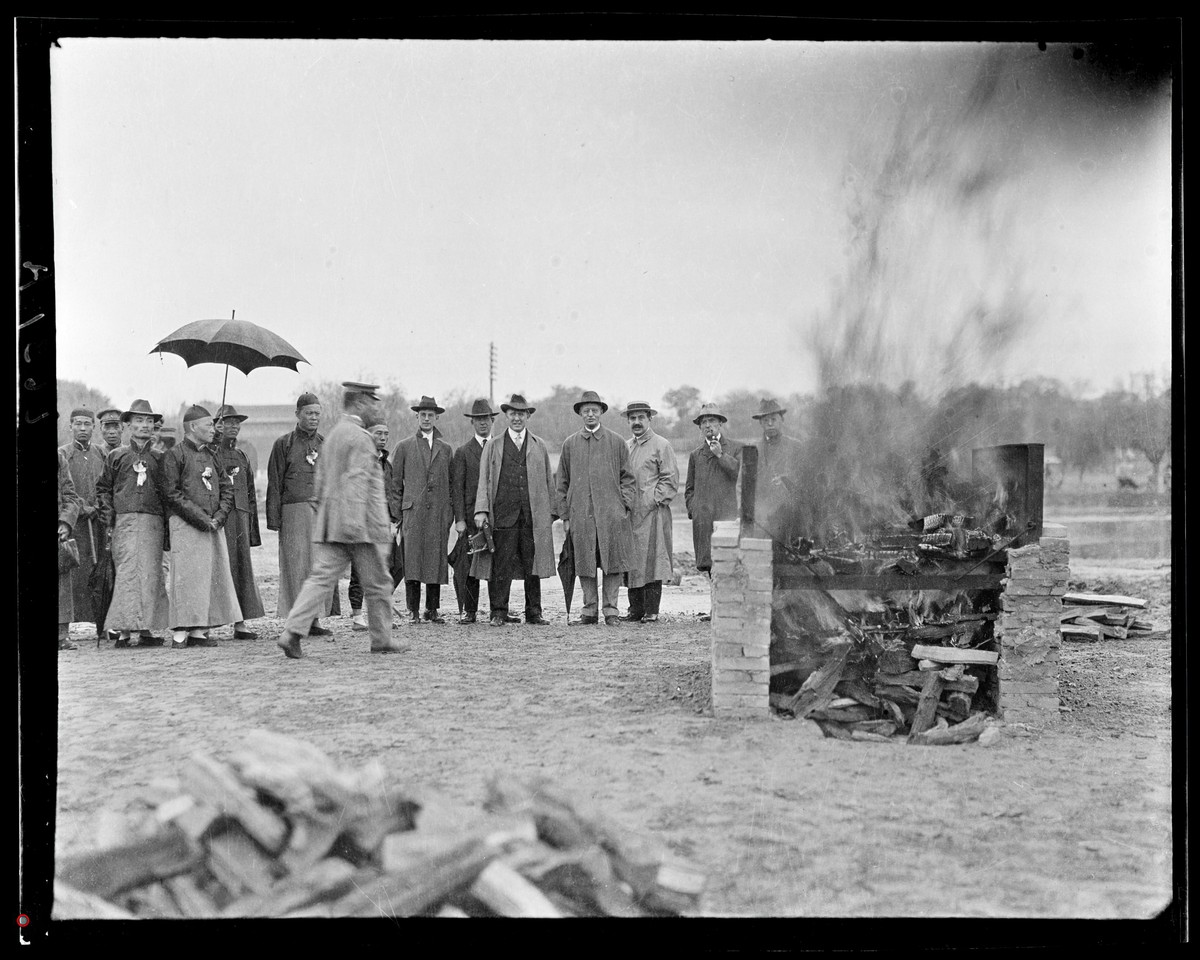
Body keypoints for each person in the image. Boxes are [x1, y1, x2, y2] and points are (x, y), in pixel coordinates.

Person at [277, 383, 406, 659]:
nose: (375, 407)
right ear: (359, 403)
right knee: (379, 583)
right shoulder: (359, 438)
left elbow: (320, 481)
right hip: (358, 527)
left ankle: (291, 632)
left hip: (332, 524)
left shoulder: (334, 435)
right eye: (371, 401)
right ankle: (382, 639)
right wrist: (360, 526)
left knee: (320, 579)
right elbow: (358, 484)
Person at [160, 405, 242, 648]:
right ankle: (180, 631)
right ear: (193, 427)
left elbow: (227, 488)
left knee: (207, 578)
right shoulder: (174, 455)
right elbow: (172, 494)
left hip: (212, 525)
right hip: (186, 525)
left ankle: (198, 630)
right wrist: (200, 518)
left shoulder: (212, 455)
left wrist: (219, 516)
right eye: (208, 425)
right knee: (185, 578)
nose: (213, 430)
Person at [471, 394, 556, 627]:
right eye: (513, 414)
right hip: (503, 515)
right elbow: (484, 480)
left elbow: (549, 482)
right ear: (507, 416)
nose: (517, 418)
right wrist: (482, 510)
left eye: (521, 414)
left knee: (533, 565)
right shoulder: (494, 445)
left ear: (527, 416)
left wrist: (551, 513)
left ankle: (534, 612)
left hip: (531, 516)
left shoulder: (539, 446)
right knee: (501, 564)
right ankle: (498, 611)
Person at [555, 391, 635, 626]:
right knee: (584, 562)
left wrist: (624, 507)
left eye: (594, 410)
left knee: (613, 562)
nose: (590, 414)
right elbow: (562, 482)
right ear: (580, 413)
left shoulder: (616, 442)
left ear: (601, 412)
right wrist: (565, 515)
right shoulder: (570, 444)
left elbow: (628, 478)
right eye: (586, 410)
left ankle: (611, 611)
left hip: (612, 515)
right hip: (580, 515)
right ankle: (589, 611)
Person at [95, 399, 169, 647]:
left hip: (153, 522)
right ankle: (124, 631)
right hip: (124, 523)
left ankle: (147, 630)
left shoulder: (160, 458)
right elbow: (103, 489)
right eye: (139, 420)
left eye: (149, 421)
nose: (144, 426)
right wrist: (109, 516)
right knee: (126, 574)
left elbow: (169, 493)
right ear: (127, 424)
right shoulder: (116, 456)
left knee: (151, 573)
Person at [267, 392, 337, 636]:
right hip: (293, 514)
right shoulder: (283, 444)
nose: (314, 417)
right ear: (297, 414)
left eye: (317, 413)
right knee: (295, 566)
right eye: (309, 413)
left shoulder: (325, 444)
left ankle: (315, 619)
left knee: (317, 566)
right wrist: (275, 520)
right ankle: (296, 621)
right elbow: (274, 483)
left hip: (319, 514)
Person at [390, 396, 454, 625]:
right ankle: (413, 610)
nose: (426, 419)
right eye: (422, 415)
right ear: (417, 417)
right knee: (413, 561)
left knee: (435, 561)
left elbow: (451, 485)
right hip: (413, 514)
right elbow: (395, 484)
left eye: (430, 415)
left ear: (437, 417)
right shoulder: (404, 446)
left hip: (437, 513)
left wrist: (448, 515)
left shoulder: (445, 449)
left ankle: (432, 610)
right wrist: (397, 515)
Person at [621, 401, 679, 623]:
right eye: (632, 418)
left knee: (653, 560)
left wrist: (652, 500)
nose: (636, 422)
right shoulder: (626, 446)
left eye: (640, 418)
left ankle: (652, 610)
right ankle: (635, 610)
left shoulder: (661, 445)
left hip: (653, 514)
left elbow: (670, 479)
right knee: (632, 560)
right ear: (628, 421)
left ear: (649, 419)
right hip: (630, 515)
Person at [685, 403, 743, 618]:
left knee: (727, 559)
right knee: (708, 562)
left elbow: (740, 475)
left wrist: (721, 455)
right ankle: (715, 607)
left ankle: (727, 607)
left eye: (712, 421)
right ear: (700, 427)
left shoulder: (735, 448)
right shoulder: (696, 454)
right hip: (703, 517)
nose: (707, 425)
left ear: (720, 423)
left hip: (726, 516)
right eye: (703, 422)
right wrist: (694, 509)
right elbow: (689, 488)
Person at [213, 404, 265, 638]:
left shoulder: (242, 455)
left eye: (237, 422)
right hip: (220, 518)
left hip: (241, 517)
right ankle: (208, 624)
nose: (233, 426)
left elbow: (251, 493)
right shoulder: (210, 454)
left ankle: (241, 623)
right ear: (217, 424)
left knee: (242, 569)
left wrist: (252, 528)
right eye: (228, 421)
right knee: (220, 568)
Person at [57, 407, 108, 638]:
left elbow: (106, 485)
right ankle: (66, 627)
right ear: (70, 426)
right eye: (78, 424)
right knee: (74, 574)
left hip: (96, 523)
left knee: (99, 571)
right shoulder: (63, 454)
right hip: (73, 524)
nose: (83, 429)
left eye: (87, 424)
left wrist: (97, 506)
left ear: (94, 428)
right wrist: (80, 508)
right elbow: (67, 491)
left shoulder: (101, 453)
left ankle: (104, 624)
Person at [450, 399, 498, 623]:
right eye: (478, 420)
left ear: (492, 421)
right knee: (470, 566)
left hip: (496, 517)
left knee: (495, 564)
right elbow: (456, 490)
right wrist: (459, 520)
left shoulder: (499, 447)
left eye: (486, 419)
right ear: (472, 423)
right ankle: (470, 611)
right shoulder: (463, 452)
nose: (483, 424)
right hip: (470, 518)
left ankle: (498, 610)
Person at [349, 419, 399, 630]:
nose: (383, 438)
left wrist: (394, 520)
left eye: (386, 434)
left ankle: (380, 614)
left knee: (391, 567)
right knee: (359, 569)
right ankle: (357, 616)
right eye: (378, 433)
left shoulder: (387, 464)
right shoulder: (357, 460)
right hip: (362, 521)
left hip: (383, 524)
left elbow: (391, 494)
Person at [751, 397, 805, 546]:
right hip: (761, 516)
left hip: (790, 514)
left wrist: (786, 479)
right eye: (766, 420)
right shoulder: (752, 450)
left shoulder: (796, 447)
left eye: (773, 419)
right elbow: (743, 484)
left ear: (782, 420)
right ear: (761, 423)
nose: (770, 424)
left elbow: (804, 478)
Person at [58, 447, 84, 651]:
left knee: (61, 582)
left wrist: (66, 522)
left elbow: (71, 497)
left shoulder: (59, 459)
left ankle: (61, 634)